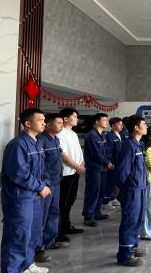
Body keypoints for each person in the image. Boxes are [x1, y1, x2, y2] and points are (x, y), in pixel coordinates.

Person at [0, 108, 51, 273]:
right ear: (28, 123)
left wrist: (45, 185)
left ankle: (27, 264)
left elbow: (43, 169)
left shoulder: (37, 142)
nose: (44, 123)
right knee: (18, 234)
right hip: (20, 198)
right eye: (40, 120)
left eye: (44, 120)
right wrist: (40, 187)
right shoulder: (17, 145)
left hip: (35, 197)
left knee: (33, 233)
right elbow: (18, 173)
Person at [115, 115, 148, 266]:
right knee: (130, 220)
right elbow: (123, 169)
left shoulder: (138, 144)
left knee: (138, 219)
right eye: (144, 124)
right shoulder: (128, 145)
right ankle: (125, 255)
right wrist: (118, 187)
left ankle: (133, 246)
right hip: (131, 189)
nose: (146, 126)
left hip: (140, 187)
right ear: (136, 128)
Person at [35, 114, 66, 264]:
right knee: (42, 216)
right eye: (58, 123)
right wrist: (44, 184)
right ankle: (38, 249)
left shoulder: (55, 139)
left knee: (53, 212)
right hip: (47, 184)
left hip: (56, 182)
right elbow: (42, 165)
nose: (61, 125)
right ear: (48, 125)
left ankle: (49, 241)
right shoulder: (41, 140)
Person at [56, 108, 85, 244]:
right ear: (65, 119)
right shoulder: (60, 133)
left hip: (74, 172)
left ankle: (66, 225)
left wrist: (81, 164)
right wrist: (77, 167)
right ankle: (58, 231)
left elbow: (78, 152)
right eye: (75, 116)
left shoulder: (73, 133)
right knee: (62, 202)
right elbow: (63, 155)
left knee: (70, 201)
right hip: (66, 173)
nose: (77, 119)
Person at [82, 113, 114, 227]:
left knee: (101, 190)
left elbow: (107, 151)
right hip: (94, 168)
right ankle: (88, 216)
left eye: (106, 120)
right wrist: (107, 162)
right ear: (96, 122)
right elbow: (96, 153)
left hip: (103, 168)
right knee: (93, 191)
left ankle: (97, 212)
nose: (106, 122)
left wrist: (108, 162)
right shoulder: (92, 135)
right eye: (103, 120)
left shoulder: (103, 135)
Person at [104, 117, 124, 209]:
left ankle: (112, 198)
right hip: (113, 163)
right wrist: (109, 162)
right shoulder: (109, 136)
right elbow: (108, 151)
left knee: (115, 182)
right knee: (109, 182)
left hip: (119, 163)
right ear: (112, 125)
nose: (121, 126)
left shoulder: (120, 135)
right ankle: (106, 202)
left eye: (121, 124)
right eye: (119, 124)